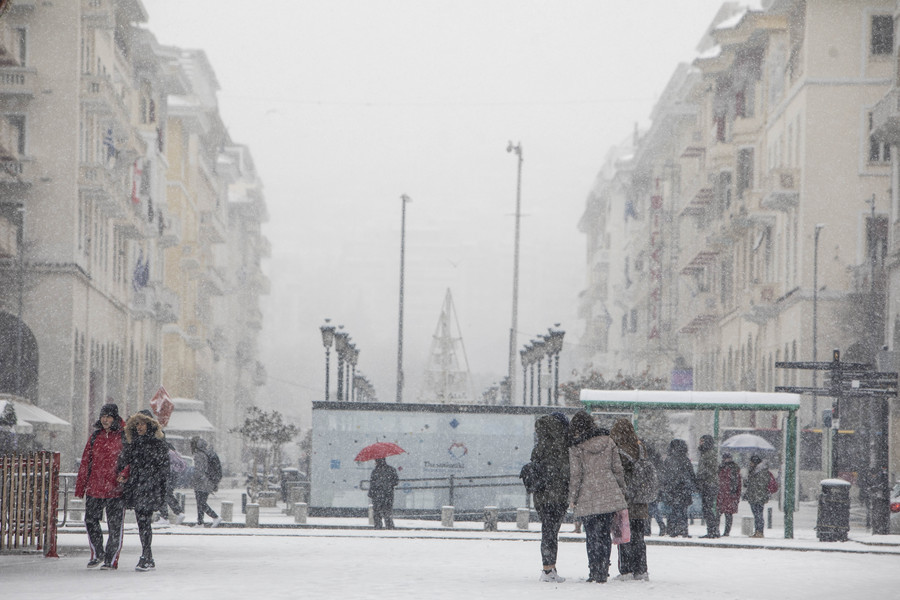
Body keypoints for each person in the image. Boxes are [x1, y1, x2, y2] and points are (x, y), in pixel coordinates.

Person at [568, 411, 627, 584]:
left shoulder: (577, 447)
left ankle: (594, 569)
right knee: (604, 534)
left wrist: (573, 497)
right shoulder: (609, 442)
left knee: (592, 535)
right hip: (609, 493)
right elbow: (618, 469)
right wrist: (621, 490)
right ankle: (603, 569)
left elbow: (576, 475)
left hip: (587, 494)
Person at [74, 403, 126, 569]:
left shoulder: (124, 437)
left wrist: (124, 474)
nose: (105, 420)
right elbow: (85, 462)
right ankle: (98, 553)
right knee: (90, 521)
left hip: (115, 490)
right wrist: (81, 487)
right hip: (95, 487)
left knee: (115, 526)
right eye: (103, 416)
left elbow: (130, 460)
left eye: (108, 417)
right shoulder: (95, 437)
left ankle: (111, 559)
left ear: (115, 418)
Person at [117, 411, 170, 571]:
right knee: (142, 522)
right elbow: (124, 461)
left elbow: (164, 467)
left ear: (149, 424)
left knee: (145, 520)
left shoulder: (157, 443)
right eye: (137, 423)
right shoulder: (134, 442)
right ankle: (147, 556)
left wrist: (157, 483)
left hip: (149, 486)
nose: (139, 427)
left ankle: (146, 556)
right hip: (137, 485)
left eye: (142, 423)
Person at [530, 413, 570, 583]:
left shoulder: (539, 445)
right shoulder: (562, 445)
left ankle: (548, 567)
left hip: (541, 496)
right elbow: (566, 470)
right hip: (558, 495)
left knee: (547, 531)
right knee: (552, 532)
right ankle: (548, 570)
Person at [610, 418, 650, 581]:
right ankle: (641, 570)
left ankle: (626, 570)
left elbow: (616, 473)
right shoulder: (641, 447)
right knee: (639, 537)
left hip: (624, 500)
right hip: (640, 500)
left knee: (624, 536)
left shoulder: (617, 450)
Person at [660, 438, 695, 538]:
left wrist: (666, 486)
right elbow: (691, 475)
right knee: (683, 512)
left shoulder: (669, 460)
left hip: (672, 490)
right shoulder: (685, 460)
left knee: (672, 511)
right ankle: (683, 529)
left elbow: (664, 475)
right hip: (683, 490)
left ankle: (672, 529)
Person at [190, 436, 223, 527]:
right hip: (208, 481)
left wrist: (195, 478)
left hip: (202, 482)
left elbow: (199, 471)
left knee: (201, 503)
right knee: (201, 502)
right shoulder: (207, 453)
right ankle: (200, 522)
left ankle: (215, 517)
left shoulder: (199, 454)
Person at [696, 434, 719, 538]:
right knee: (707, 509)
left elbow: (710, 470)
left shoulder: (709, 454)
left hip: (709, 484)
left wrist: (701, 476)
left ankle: (713, 530)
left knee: (707, 509)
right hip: (708, 484)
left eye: (702, 441)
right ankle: (712, 530)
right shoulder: (706, 453)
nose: (700, 443)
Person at [743, 454, 772, 538]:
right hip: (755, 496)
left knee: (758, 515)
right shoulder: (754, 471)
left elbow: (760, 484)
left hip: (758, 496)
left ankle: (759, 531)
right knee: (757, 515)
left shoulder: (761, 472)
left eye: (751, 462)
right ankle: (758, 531)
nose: (750, 464)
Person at [368, 457, 399, 529]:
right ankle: (389, 526)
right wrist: (388, 485)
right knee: (387, 512)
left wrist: (371, 493)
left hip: (377, 495)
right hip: (388, 494)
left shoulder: (375, 471)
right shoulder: (391, 469)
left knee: (377, 512)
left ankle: (378, 526)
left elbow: (372, 484)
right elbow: (396, 482)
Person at [644, 443, 667, 536]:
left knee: (650, 508)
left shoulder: (647, 460)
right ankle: (660, 526)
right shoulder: (657, 459)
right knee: (654, 508)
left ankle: (648, 528)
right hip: (655, 487)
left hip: (649, 487)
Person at [717, 452, 742, 536]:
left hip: (728, 494)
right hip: (723, 494)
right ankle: (717, 530)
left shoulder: (732, 469)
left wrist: (736, 495)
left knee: (727, 515)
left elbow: (737, 484)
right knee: (720, 514)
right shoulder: (722, 468)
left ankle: (726, 532)